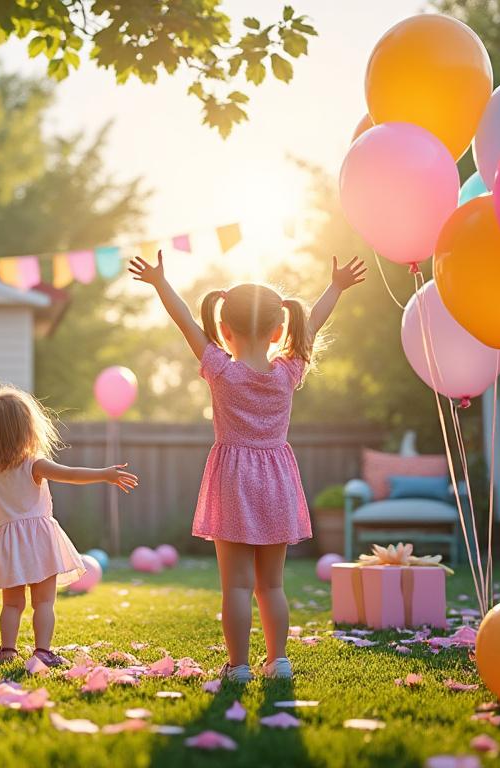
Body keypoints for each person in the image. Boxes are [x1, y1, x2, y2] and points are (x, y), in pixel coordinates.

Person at [130, 250, 365, 683]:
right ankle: (279, 661)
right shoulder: (288, 372)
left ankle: (238, 667)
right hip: (276, 480)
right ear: (280, 330)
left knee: (236, 586)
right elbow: (312, 324)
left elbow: (184, 320)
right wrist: (337, 286)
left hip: (233, 480)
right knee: (271, 585)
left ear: (222, 328)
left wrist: (160, 283)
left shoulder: (220, 369)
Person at [0, 386, 138, 667]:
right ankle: (42, 651)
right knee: (43, 603)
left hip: (9, 544)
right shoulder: (34, 464)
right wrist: (104, 474)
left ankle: (7, 649)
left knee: (11, 604)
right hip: (39, 542)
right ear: (27, 429)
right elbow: (70, 474)